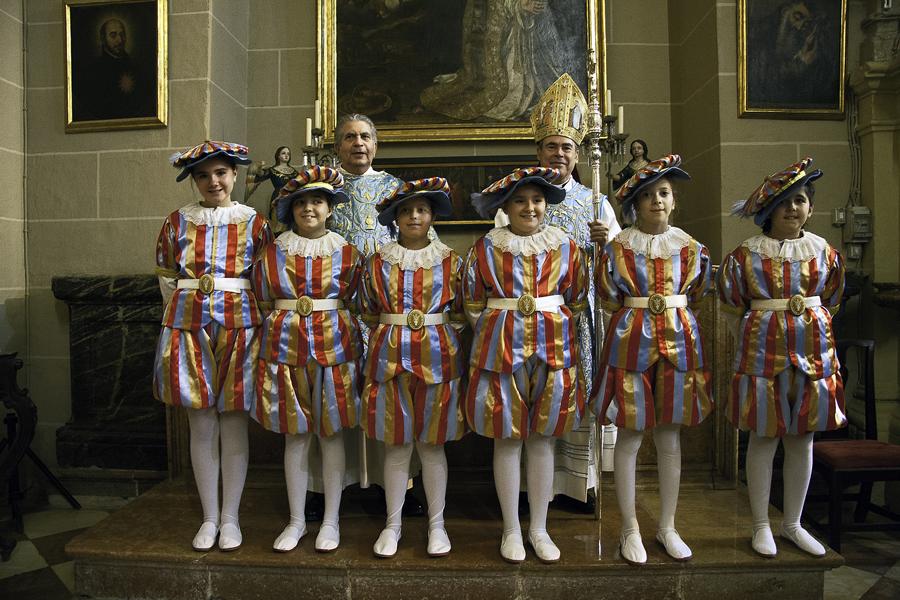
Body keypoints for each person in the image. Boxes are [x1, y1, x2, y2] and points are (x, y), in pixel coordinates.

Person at [718, 157, 845, 558]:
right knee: (763, 434)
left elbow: (833, 298)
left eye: (802, 200)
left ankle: (793, 523)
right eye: (786, 201)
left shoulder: (824, 251)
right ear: (769, 209)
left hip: (812, 352)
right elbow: (733, 300)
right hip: (763, 353)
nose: (794, 208)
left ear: (811, 207)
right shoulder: (746, 255)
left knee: (801, 437)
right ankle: (760, 525)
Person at [592, 154, 712, 565]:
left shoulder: (693, 249)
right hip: (631, 341)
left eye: (663, 193)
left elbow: (697, 294)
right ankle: (629, 528)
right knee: (629, 435)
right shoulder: (617, 249)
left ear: (673, 200)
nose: (656, 201)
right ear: (635, 205)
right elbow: (609, 295)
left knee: (669, 436)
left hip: (679, 341)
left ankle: (667, 525)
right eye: (647, 196)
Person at [508, 72, 621, 509]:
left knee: (575, 398)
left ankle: (577, 485)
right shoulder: (519, 197)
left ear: (578, 154)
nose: (558, 154)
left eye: (567, 147)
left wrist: (604, 243)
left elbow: (618, 269)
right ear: (538, 150)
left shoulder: (596, 202)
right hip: (529, 321)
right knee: (533, 399)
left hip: (580, 319)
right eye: (551, 146)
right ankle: (529, 490)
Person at [465, 166, 588, 564]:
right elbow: (471, 301)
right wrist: (498, 329)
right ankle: (511, 529)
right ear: (506, 205)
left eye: (536, 200)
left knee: (541, 440)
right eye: (520, 200)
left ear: (546, 204)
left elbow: (577, 296)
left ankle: (539, 527)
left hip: (553, 349)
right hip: (501, 350)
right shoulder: (485, 248)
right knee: (507, 437)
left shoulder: (566, 247)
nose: (529, 207)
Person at [153, 141, 271, 552]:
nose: (212, 182)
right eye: (203, 175)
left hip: (240, 326)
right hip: (189, 325)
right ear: (194, 181)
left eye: (220, 173)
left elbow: (265, 278)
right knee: (201, 423)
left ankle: (231, 518)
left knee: (234, 422)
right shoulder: (176, 222)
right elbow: (167, 276)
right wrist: (186, 311)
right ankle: (208, 516)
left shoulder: (255, 224)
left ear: (235, 175)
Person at [252, 166, 364, 553]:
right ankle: (298, 519)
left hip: (335, 348)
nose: (309, 209)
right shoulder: (272, 252)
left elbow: (357, 302)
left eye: (317, 201)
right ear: (290, 210)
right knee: (295, 436)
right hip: (285, 348)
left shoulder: (348, 253)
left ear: (330, 208)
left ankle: (331, 519)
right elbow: (264, 299)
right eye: (300, 202)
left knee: (331, 434)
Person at [360, 177, 467, 558]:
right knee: (396, 445)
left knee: (432, 445)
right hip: (388, 359)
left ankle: (437, 524)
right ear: (395, 218)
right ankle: (393, 524)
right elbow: (370, 311)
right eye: (406, 211)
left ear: (432, 215)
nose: (414, 216)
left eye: (421, 210)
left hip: (438, 359)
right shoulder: (377, 262)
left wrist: (434, 337)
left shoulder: (451, 261)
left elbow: (459, 313)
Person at [327, 113, 425, 515]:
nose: (358, 143)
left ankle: (399, 486)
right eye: (349, 137)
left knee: (393, 399)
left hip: (389, 316)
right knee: (339, 399)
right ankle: (335, 484)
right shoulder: (324, 189)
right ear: (337, 148)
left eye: (365, 136)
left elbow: (421, 247)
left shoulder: (394, 189)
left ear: (377, 144)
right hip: (339, 314)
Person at [75, 17, 154, 121]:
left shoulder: (136, 68)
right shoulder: (93, 71)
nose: (120, 40)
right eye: (113, 35)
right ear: (103, 39)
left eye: (122, 34)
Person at [244, 146, 300, 233]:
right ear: (278, 156)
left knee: (290, 224)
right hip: (277, 198)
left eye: (288, 154)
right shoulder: (272, 170)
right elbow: (257, 179)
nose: (286, 155)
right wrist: (255, 169)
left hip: (291, 199)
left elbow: (300, 183)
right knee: (278, 224)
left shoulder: (294, 171)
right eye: (283, 153)